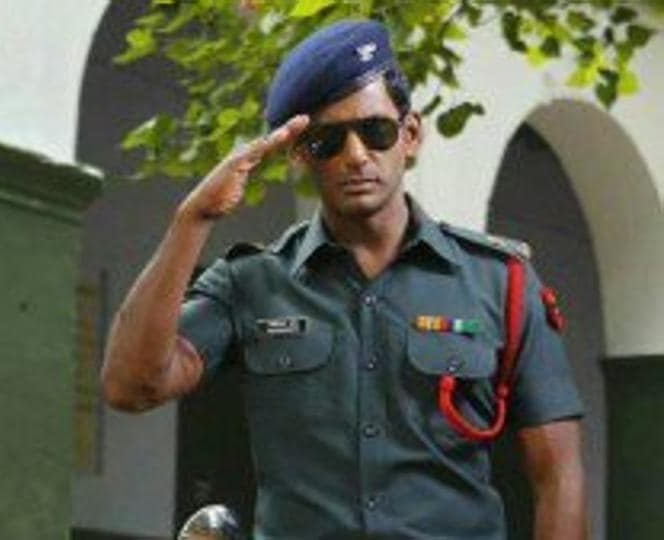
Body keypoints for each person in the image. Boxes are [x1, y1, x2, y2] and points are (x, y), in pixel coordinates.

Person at [101, 19, 586, 540]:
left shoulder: (500, 282)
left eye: (375, 131)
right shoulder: (253, 283)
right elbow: (132, 386)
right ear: (299, 154)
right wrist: (193, 219)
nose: (356, 156)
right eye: (327, 141)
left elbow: (558, 476)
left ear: (410, 135)